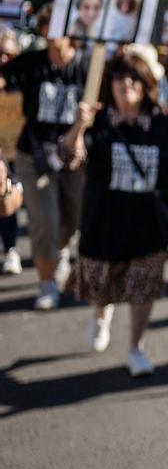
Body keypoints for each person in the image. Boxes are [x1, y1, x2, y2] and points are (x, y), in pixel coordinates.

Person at [62, 49, 168, 376]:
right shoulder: (98, 122)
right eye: (119, 77)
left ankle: (136, 346)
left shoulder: (163, 126)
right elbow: (70, 159)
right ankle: (101, 315)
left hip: (148, 225)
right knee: (103, 283)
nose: (126, 84)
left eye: (134, 77)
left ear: (147, 83)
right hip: (103, 221)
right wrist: (79, 126)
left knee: (143, 287)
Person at [1, 31, 89, 309]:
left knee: (72, 220)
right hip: (34, 154)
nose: (53, 36)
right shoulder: (32, 62)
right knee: (43, 220)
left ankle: (61, 249)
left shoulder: (87, 66)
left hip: (73, 158)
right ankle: (47, 282)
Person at [0, 30, 24, 275]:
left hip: (18, 152)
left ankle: (11, 250)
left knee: (8, 201)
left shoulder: (23, 79)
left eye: (10, 54)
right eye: (0, 53)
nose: (5, 58)